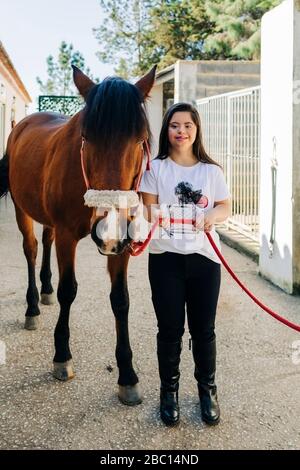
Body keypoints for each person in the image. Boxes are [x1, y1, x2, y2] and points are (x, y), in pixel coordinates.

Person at [139, 102, 231, 426]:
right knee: (169, 330)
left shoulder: (211, 171)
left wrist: (211, 216)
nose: (181, 131)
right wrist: (157, 216)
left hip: (205, 260)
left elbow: (224, 206)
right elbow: (146, 209)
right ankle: (169, 392)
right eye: (175, 125)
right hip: (165, 259)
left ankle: (208, 391)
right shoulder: (155, 169)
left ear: (196, 130)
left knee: (204, 330)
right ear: (167, 130)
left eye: (188, 125)